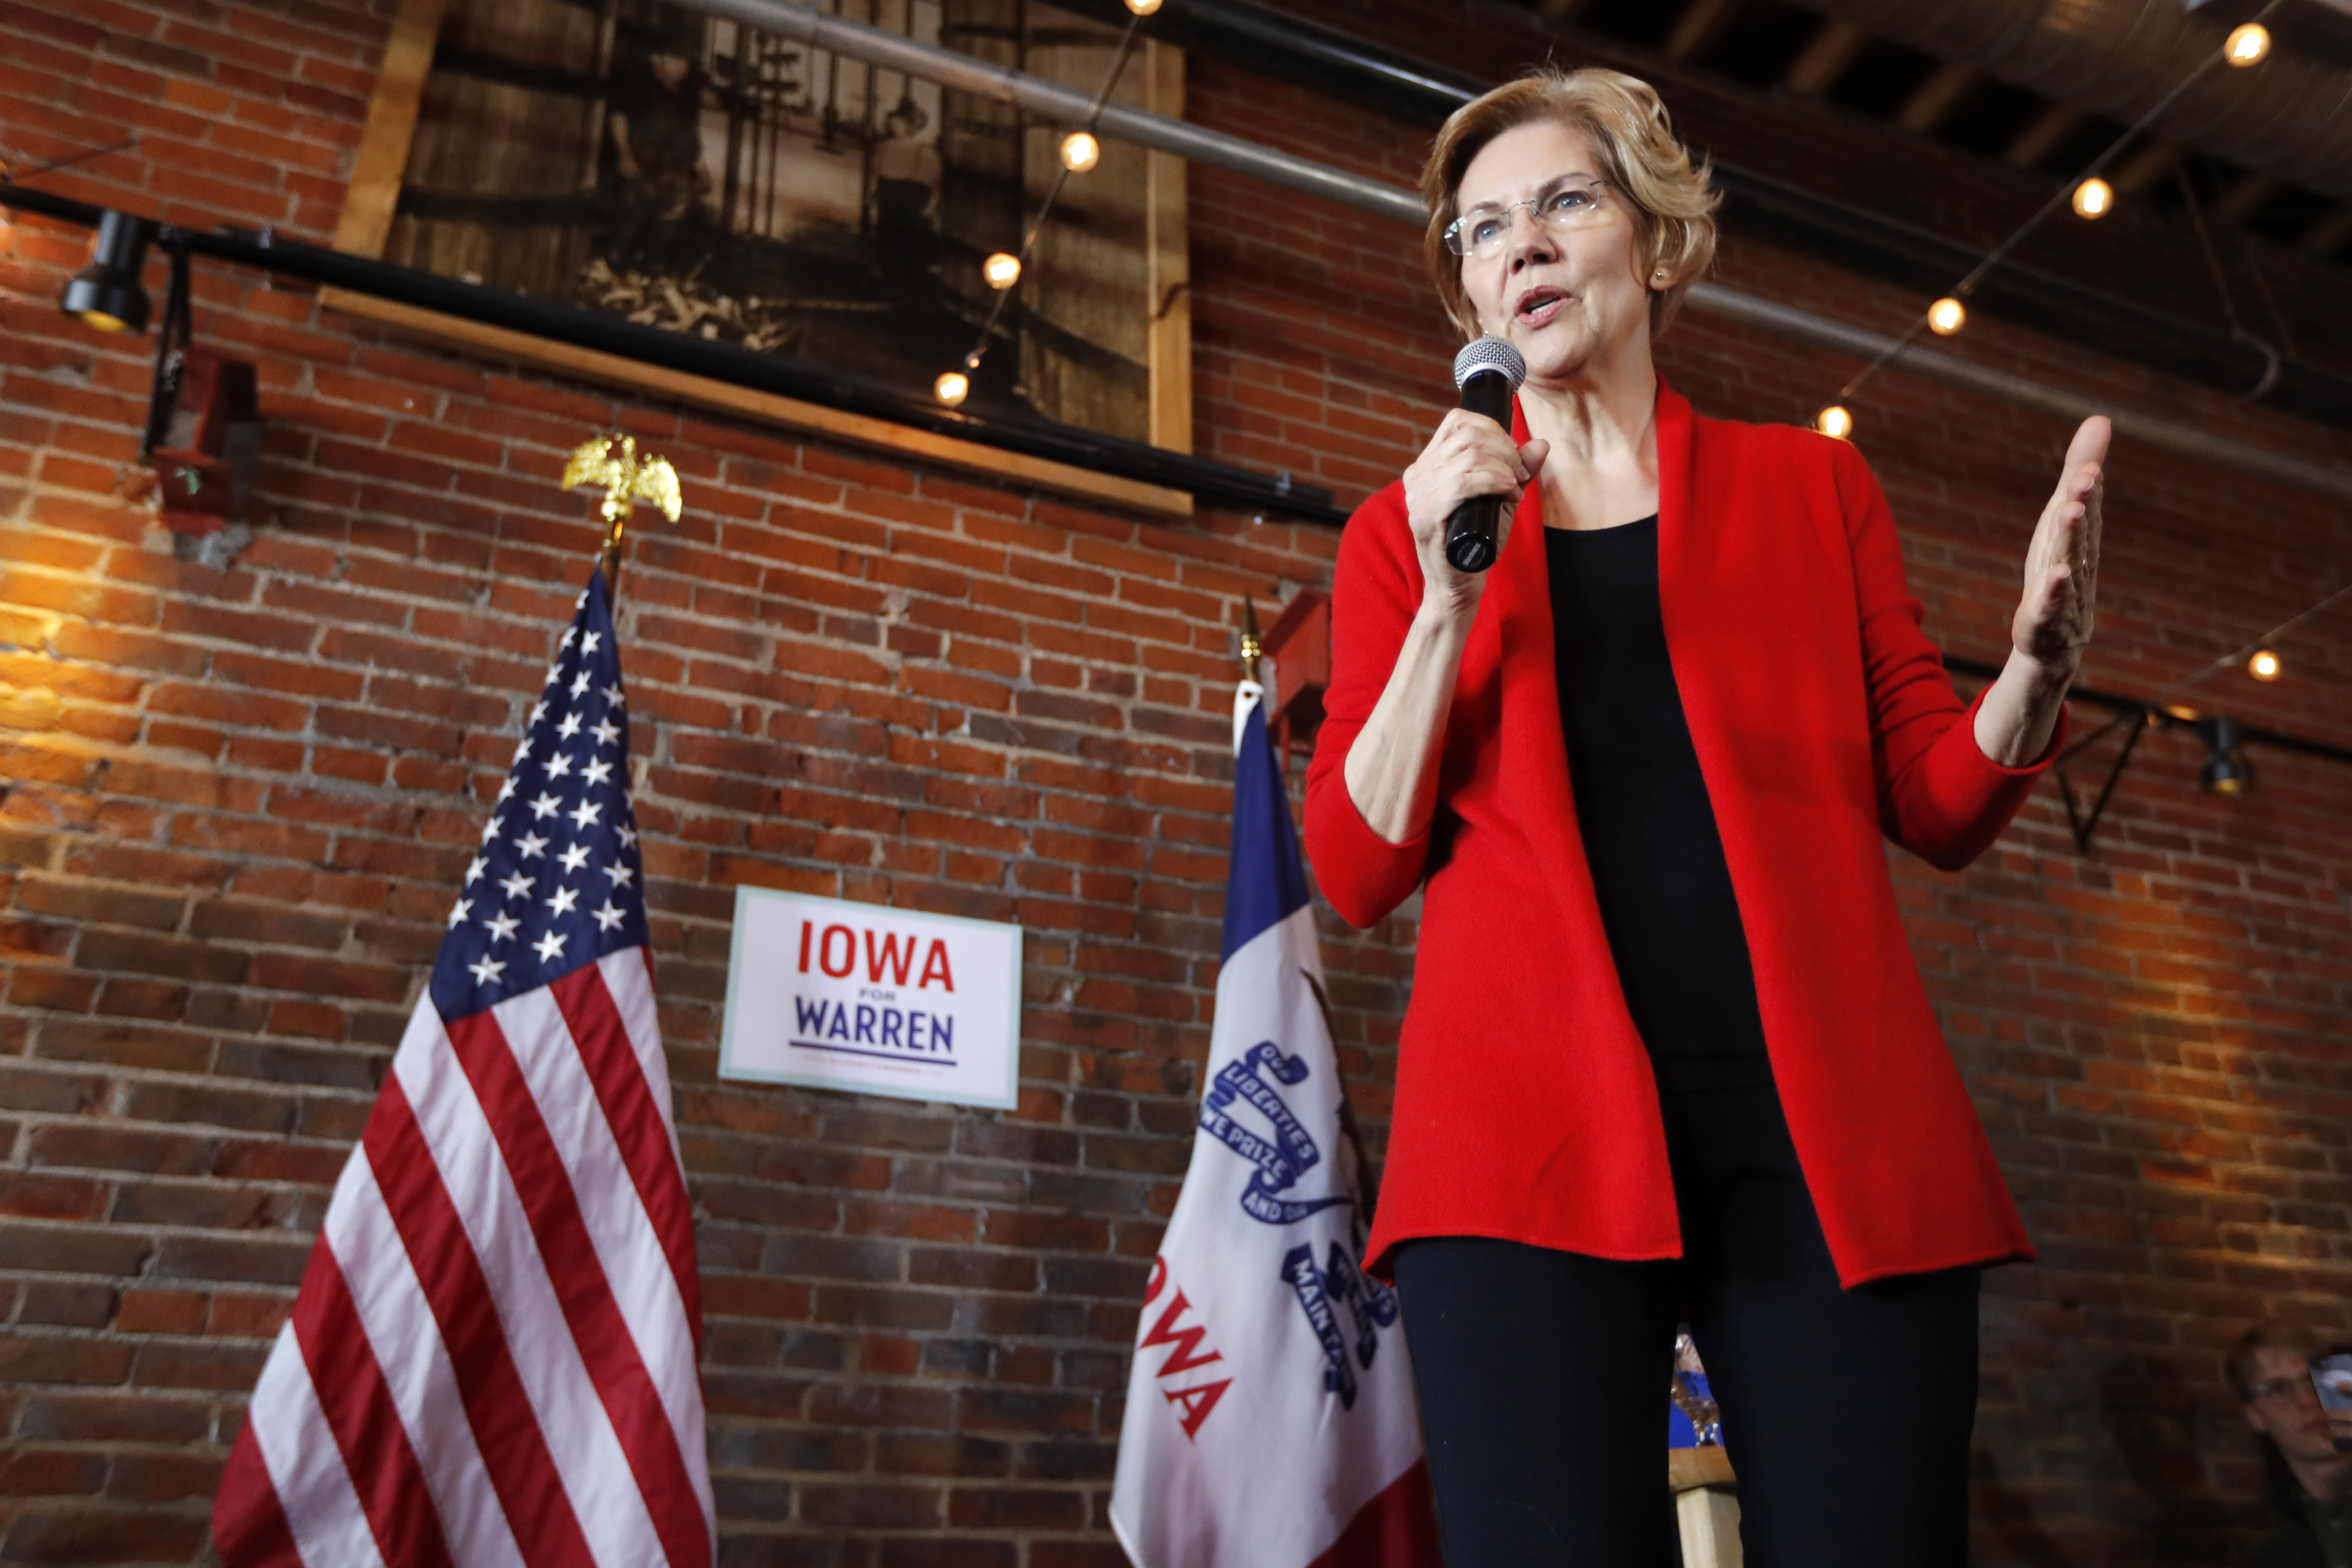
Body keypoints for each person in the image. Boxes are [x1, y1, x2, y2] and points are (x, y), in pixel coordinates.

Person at [1300, 66, 2108, 1568]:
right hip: (1521, 1151)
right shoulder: (1401, 533)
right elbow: (1352, 867)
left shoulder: (1809, 488)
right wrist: (1445, 603)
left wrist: (2031, 674)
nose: (1519, 246)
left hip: (1824, 1140)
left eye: (1561, 201)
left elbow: (1934, 798)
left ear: (1652, 241)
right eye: (1480, 231)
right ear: (1467, 291)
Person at [2231, 1322, 2352, 1567]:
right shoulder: (2273, 1556)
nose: (2306, 1401)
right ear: (2255, 1416)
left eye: (2312, 1381)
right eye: (2278, 1389)